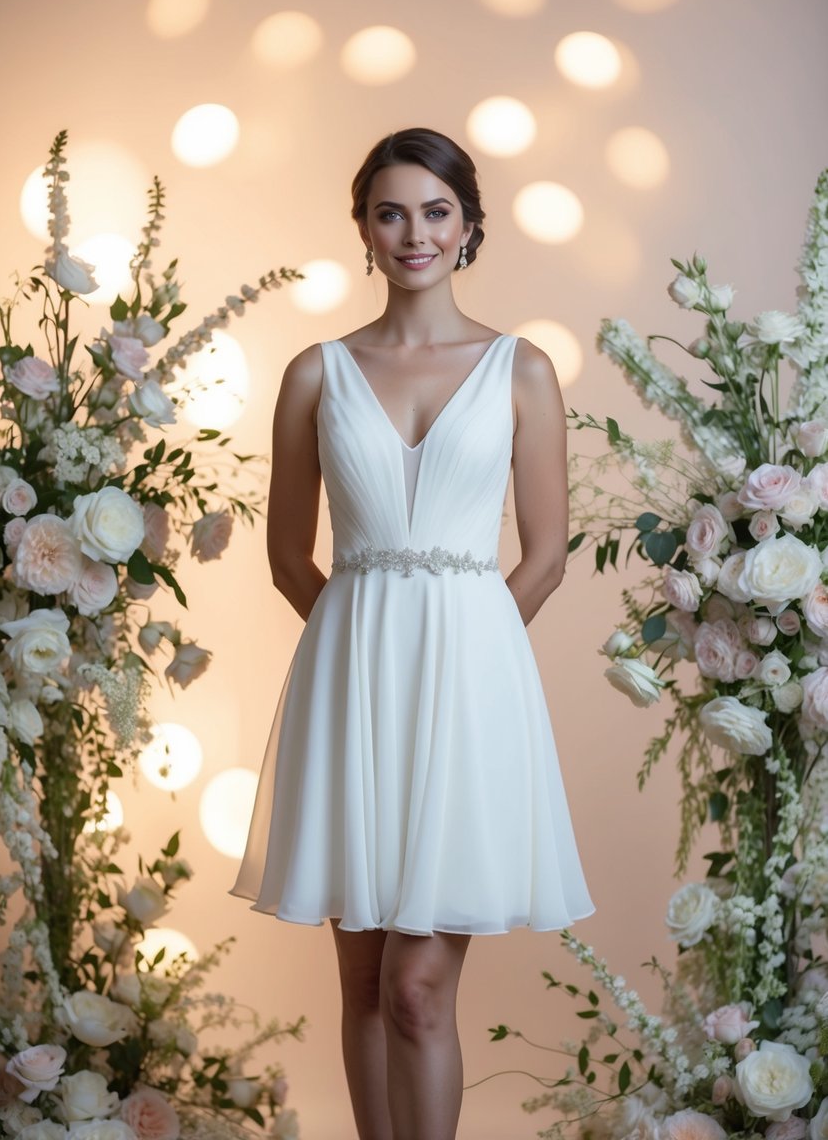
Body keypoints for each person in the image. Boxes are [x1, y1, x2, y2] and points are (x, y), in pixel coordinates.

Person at [231, 127, 594, 1140]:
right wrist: (366, 650)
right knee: (360, 989)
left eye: (436, 211)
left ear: (470, 225)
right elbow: (287, 558)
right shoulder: (316, 373)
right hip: (351, 703)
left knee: (416, 991)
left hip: (471, 702)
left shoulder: (520, 369)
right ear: (362, 229)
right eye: (391, 211)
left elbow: (547, 555)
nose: (414, 232)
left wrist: (464, 656)